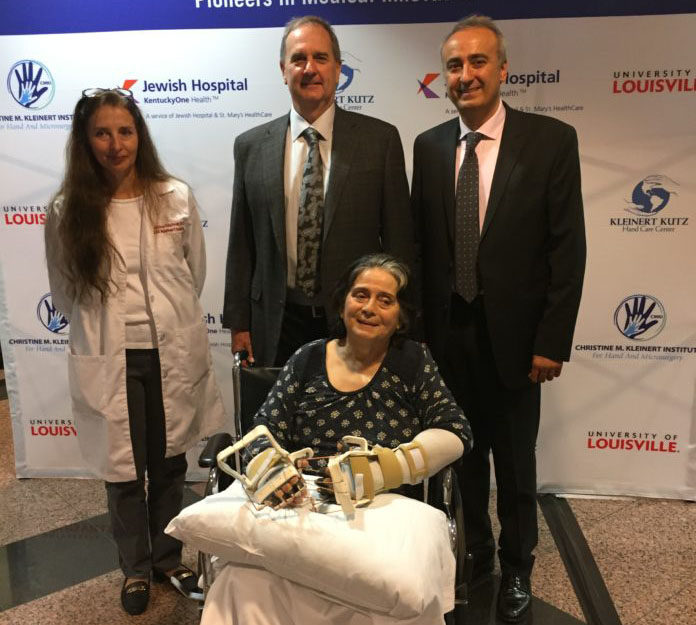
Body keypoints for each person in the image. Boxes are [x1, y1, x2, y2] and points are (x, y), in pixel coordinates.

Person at [411, 15, 586, 623]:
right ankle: (477, 556)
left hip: (517, 341)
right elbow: (422, 251)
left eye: (478, 62)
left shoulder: (550, 141)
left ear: (503, 69)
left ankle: (517, 569)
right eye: (455, 65)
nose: (466, 75)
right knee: (461, 457)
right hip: (447, 339)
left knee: (514, 464)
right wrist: (417, 343)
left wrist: (551, 341)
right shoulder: (429, 147)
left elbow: (568, 249)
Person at [204, 253, 472, 624]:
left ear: (400, 317)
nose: (369, 308)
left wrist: (382, 470)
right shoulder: (307, 359)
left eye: (385, 300)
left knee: (390, 591)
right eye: (360, 294)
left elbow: (456, 431)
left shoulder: (412, 362)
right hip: (302, 502)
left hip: (381, 508)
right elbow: (264, 429)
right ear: (343, 302)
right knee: (238, 581)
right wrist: (270, 467)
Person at [44, 88, 226, 615]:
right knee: (123, 472)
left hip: (169, 354)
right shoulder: (67, 210)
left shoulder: (174, 196)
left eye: (125, 131)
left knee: (169, 463)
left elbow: (195, 271)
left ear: (139, 136)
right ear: (85, 140)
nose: (115, 143)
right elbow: (63, 289)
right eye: (102, 132)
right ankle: (135, 569)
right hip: (110, 360)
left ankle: (169, 558)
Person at [223, 16, 414, 367]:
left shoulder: (379, 141)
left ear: (338, 68)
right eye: (298, 59)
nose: (309, 68)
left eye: (321, 58)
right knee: (279, 422)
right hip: (276, 323)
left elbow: (399, 242)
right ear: (283, 70)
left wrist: (397, 323)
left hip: (354, 321)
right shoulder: (250, 146)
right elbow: (241, 244)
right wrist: (239, 322)